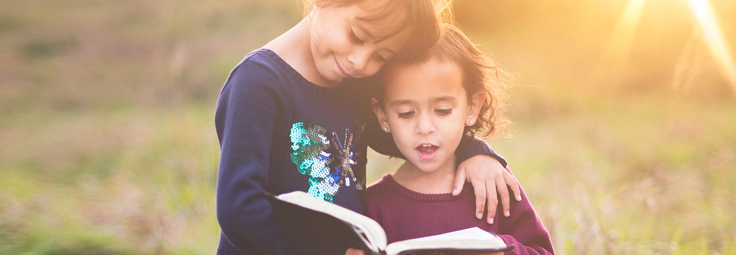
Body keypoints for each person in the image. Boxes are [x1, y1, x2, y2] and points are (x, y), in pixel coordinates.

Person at [214, 0, 522, 254]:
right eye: (357, 36)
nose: (361, 61)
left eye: (381, 56)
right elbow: (238, 207)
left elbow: (411, 137)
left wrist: (475, 152)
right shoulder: (258, 84)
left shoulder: (352, 83)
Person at [361, 24, 555, 255]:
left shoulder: (491, 183)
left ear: (472, 106)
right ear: (382, 115)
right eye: (406, 113)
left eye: (442, 110)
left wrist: (501, 251)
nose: (424, 128)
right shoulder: (375, 205)